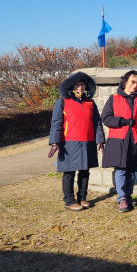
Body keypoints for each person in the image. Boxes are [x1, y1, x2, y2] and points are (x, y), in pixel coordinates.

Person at [48, 72, 105, 211]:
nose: (80, 87)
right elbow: (56, 123)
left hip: (88, 141)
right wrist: (54, 141)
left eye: (83, 84)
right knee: (69, 172)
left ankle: (82, 197)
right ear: (71, 85)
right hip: (69, 142)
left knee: (85, 170)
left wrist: (100, 139)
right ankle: (69, 200)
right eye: (78, 84)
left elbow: (97, 122)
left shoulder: (90, 102)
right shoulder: (62, 101)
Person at [101, 70, 137, 213]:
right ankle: (122, 198)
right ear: (125, 81)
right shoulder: (114, 98)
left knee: (131, 169)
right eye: (132, 81)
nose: (135, 85)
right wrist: (122, 121)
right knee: (120, 169)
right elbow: (106, 118)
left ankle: (128, 196)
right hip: (118, 139)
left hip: (135, 139)